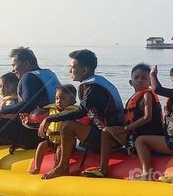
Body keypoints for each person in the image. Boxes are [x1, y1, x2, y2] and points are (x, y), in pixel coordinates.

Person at [0, 47, 60, 168]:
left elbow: (27, 104)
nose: (13, 70)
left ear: (26, 63)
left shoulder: (27, 77)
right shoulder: (49, 74)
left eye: (14, 65)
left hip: (33, 137)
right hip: (51, 135)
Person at [41, 49, 125, 180]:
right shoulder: (99, 81)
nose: (70, 71)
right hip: (114, 135)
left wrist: (50, 118)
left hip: (110, 139)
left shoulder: (93, 88)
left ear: (85, 70)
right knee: (71, 123)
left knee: (67, 126)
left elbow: (81, 111)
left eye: (73, 67)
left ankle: (63, 167)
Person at [82, 63, 164, 178]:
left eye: (144, 78)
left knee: (106, 132)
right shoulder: (135, 97)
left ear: (150, 82)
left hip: (146, 139)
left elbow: (147, 117)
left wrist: (125, 129)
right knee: (106, 130)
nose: (140, 80)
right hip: (136, 136)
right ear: (131, 82)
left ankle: (145, 173)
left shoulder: (147, 95)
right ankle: (104, 167)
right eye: (136, 78)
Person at [29, 84, 79, 174]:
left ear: (72, 101)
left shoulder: (74, 112)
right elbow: (38, 116)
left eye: (63, 99)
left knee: (60, 150)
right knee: (41, 145)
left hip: (67, 143)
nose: (58, 101)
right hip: (52, 141)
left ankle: (56, 168)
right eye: (56, 98)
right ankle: (37, 167)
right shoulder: (50, 110)